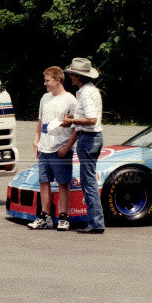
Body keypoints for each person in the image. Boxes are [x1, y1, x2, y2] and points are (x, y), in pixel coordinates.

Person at [28, 66, 77, 231]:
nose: (45, 84)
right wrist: (36, 140)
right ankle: (45, 216)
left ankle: (64, 216)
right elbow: (40, 122)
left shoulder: (71, 100)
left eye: (47, 80)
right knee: (44, 182)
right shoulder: (44, 98)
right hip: (44, 148)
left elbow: (76, 127)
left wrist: (68, 146)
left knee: (63, 183)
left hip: (60, 149)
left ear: (58, 80)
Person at [61, 57, 105, 233]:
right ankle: (95, 221)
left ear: (78, 76)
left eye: (72, 74)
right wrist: (74, 120)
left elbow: (91, 119)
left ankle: (96, 223)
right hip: (90, 137)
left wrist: (72, 121)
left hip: (88, 137)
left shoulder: (86, 93)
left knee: (88, 183)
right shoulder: (89, 91)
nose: (71, 77)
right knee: (88, 181)